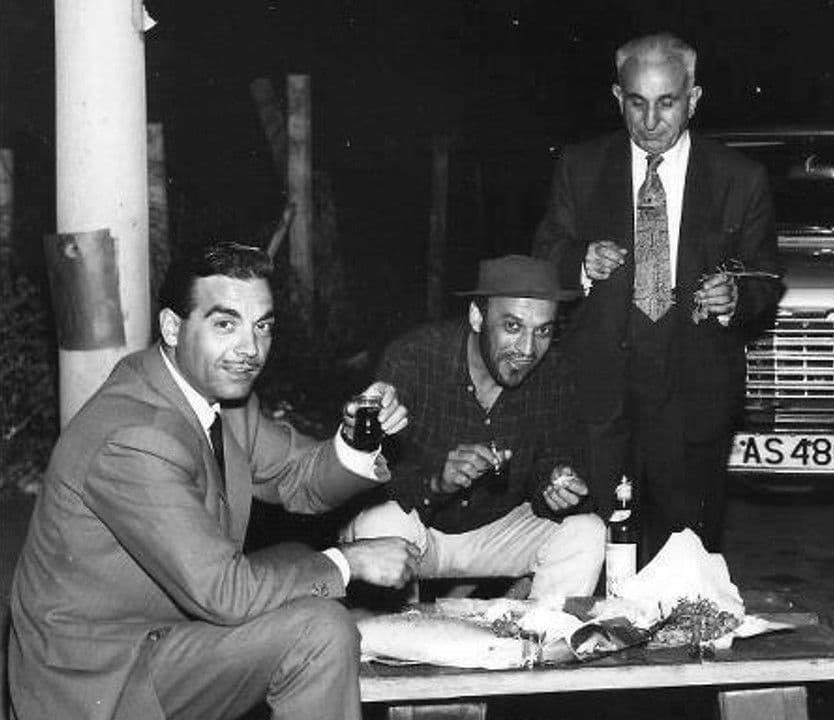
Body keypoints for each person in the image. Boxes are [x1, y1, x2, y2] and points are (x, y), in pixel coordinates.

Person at [7, 242, 421, 720]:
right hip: (100, 679)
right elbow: (225, 593)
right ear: (171, 327)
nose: (250, 350)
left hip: (163, 629)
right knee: (320, 628)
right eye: (226, 324)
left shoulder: (218, 399)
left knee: (296, 561)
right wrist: (349, 562)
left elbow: (299, 477)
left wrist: (355, 438)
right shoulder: (134, 436)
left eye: (262, 326)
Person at [533, 32, 781, 559]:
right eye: (636, 103)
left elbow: (765, 277)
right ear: (617, 98)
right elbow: (547, 252)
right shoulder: (579, 166)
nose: (650, 121)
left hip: (694, 393)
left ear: (693, 99)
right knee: (595, 549)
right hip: (601, 394)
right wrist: (579, 261)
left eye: (666, 103)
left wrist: (736, 296)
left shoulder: (741, 178)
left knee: (685, 558)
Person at [344, 255, 605, 600]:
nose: (528, 350)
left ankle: (543, 630)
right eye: (512, 326)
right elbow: (373, 477)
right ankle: (401, 632)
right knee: (378, 525)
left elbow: (554, 463)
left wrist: (557, 486)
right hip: (421, 530)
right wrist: (437, 482)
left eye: (543, 330)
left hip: (497, 533)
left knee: (587, 531)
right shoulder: (415, 358)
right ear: (477, 317)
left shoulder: (554, 373)